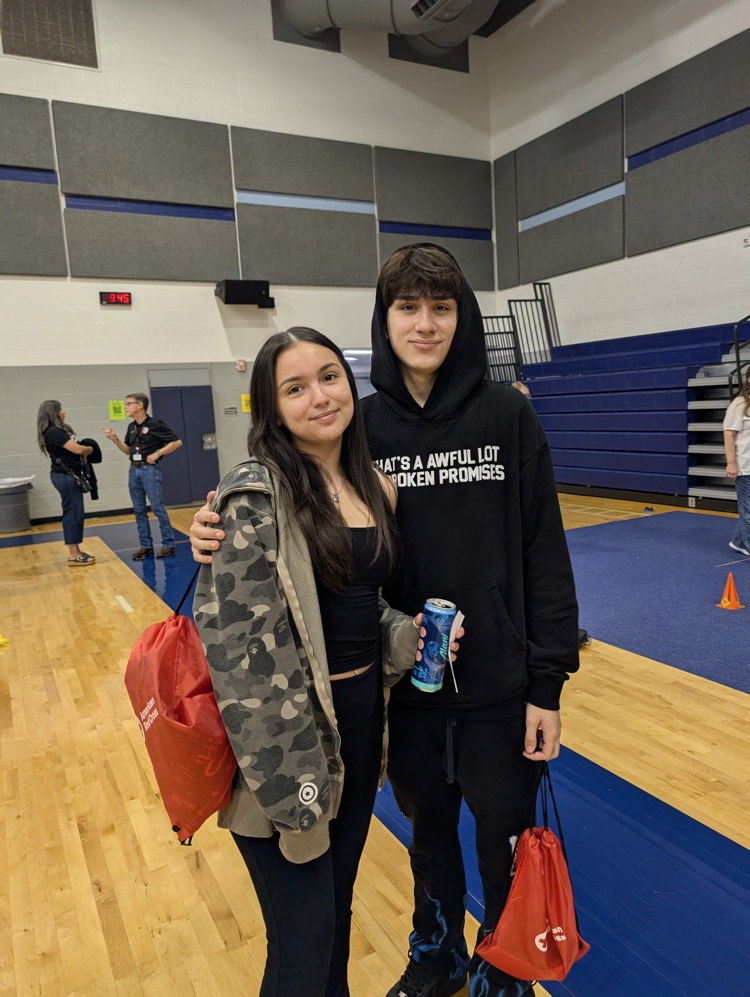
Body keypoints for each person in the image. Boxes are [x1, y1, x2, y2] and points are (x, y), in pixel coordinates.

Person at [189, 245, 579, 997]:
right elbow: (289, 489)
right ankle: (436, 957)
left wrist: (547, 683)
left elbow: (546, 555)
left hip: (500, 685)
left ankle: (504, 973)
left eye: (441, 306)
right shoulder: (362, 427)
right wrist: (214, 516)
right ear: (385, 317)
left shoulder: (510, 414)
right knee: (429, 841)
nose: (425, 323)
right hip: (406, 692)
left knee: (503, 843)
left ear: (461, 316)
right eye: (408, 307)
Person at [192, 326, 463, 997]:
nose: (319, 395)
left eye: (330, 376)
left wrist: (413, 639)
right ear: (271, 407)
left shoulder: (371, 485)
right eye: (295, 386)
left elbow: (356, 614)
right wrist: (293, 790)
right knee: (302, 952)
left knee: (333, 924)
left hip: (360, 735)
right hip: (285, 752)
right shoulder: (256, 493)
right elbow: (239, 652)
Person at [102, 393, 182, 560]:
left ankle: (168, 544)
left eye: (129, 404)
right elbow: (128, 451)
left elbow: (176, 442)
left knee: (157, 508)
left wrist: (157, 453)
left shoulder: (155, 424)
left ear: (140, 405)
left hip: (150, 470)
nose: (126, 407)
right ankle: (146, 545)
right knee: (139, 510)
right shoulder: (132, 427)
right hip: (134, 470)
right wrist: (115, 439)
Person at [37, 400, 96, 566]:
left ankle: (76, 551)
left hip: (70, 475)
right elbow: (78, 449)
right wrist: (89, 449)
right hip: (65, 476)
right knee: (73, 513)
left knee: (76, 513)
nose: (65, 411)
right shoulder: (53, 432)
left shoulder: (61, 429)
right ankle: (73, 554)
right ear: (54, 412)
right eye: (62, 409)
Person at [723, 365, 750, 557]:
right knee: (748, 511)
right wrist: (731, 463)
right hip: (745, 467)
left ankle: (737, 541)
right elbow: (729, 435)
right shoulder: (739, 404)